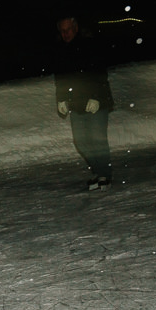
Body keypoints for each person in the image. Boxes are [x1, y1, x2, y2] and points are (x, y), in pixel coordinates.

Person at [53, 16, 115, 191]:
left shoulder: (90, 45)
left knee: (97, 140)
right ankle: (98, 171)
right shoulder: (60, 51)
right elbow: (61, 79)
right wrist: (61, 100)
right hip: (76, 103)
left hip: (97, 102)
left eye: (69, 30)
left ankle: (105, 175)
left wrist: (96, 97)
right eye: (62, 31)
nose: (66, 34)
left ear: (76, 28)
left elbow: (99, 74)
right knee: (81, 141)